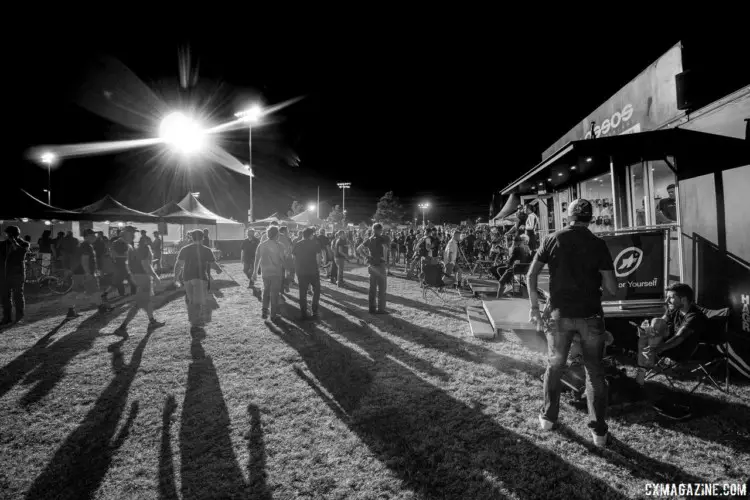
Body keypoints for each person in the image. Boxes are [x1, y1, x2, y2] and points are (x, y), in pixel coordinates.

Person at [526, 199, 617, 447]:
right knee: (594, 373)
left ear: (568, 217)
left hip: (559, 315)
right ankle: (599, 433)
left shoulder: (552, 238)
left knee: (555, 366)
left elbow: (531, 274)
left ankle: (548, 418)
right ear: (590, 218)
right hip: (590, 316)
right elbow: (612, 287)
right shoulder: (598, 244)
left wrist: (534, 307)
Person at [635, 283, 708, 386]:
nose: (666, 301)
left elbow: (679, 338)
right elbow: (660, 322)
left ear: (683, 299)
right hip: (669, 345)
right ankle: (640, 377)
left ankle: (639, 379)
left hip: (683, 350)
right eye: (667, 297)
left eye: (671, 298)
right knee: (652, 326)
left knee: (646, 345)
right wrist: (647, 330)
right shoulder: (674, 310)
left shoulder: (693, 317)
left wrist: (658, 348)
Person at [174, 229, 223, 329]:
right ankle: (196, 321)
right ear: (203, 237)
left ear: (191, 237)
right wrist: (218, 269)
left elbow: (178, 264)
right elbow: (212, 264)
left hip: (187, 277)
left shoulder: (185, 249)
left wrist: (176, 278)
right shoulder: (206, 249)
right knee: (198, 300)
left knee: (191, 299)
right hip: (200, 277)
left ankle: (193, 320)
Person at [119, 229, 165, 331]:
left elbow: (128, 265)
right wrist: (155, 276)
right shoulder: (145, 248)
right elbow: (146, 264)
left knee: (147, 301)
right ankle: (122, 327)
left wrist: (132, 277)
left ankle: (152, 321)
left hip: (137, 277)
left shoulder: (133, 249)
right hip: (144, 277)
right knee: (139, 303)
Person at [66, 229, 114, 319]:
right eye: (92, 235)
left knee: (75, 292)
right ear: (87, 237)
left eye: (94, 235)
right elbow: (84, 259)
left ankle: (70, 312)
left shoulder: (81, 245)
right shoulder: (86, 246)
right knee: (95, 292)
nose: (94, 237)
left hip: (77, 274)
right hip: (85, 274)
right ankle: (102, 309)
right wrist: (88, 273)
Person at [252, 226, 285, 322]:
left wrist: (254, 272)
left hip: (265, 272)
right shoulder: (279, 245)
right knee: (274, 294)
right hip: (276, 272)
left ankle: (264, 311)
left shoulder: (261, 245)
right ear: (276, 235)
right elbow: (282, 259)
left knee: (266, 291)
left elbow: (257, 259)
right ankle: (273, 315)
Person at [357, 223, 389, 314]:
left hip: (371, 266)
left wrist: (366, 257)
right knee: (382, 288)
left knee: (372, 288)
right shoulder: (382, 239)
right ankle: (381, 309)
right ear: (380, 230)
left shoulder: (369, 239)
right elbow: (385, 248)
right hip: (380, 265)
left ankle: (372, 308)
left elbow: (358, 249)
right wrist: (385, 259)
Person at [1, 226, 30, 326]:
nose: (6, 236)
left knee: (17, 296)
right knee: (5, 297)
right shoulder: (3, 244)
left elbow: (20, 253)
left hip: (17, 274)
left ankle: (19, 317)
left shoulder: (24, 244)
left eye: (8, 234)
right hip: (4, 274)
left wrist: (13, 242)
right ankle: (6, 318)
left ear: (13, 234)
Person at [293, 227, 321, 320]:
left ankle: (303, 312)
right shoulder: (315, 243)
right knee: (317, 290)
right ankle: (315, 310)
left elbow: (294, 258)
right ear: (310, 235)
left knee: (302, 292)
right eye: (313, 234)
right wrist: (319, 267)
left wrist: (296, 269)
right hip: (313, 271)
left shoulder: (297, 244)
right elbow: (318, 257)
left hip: (301, 271)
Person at [278, 226, 294, 292]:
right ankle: (283, 287)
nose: (288, 232)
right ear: (284, 231)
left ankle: (285, 285)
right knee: (286, 273)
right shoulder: (279, 238)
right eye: (287, 231)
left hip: (287, 258)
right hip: (284, 258)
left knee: (287, 273)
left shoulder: (288, 238)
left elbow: (291, 247)